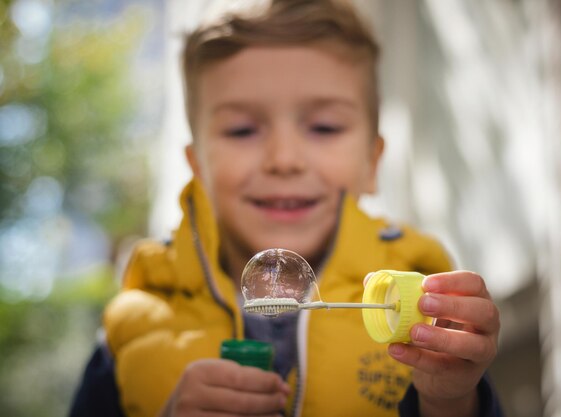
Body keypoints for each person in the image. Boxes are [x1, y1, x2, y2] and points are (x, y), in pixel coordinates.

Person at [70, 0, 503, 416]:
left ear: (371, 163)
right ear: (197, 167)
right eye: (242, 130)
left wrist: (449, 403)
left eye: (324, 126)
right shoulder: (132, 325)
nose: (284, 159)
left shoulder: (420, 299)